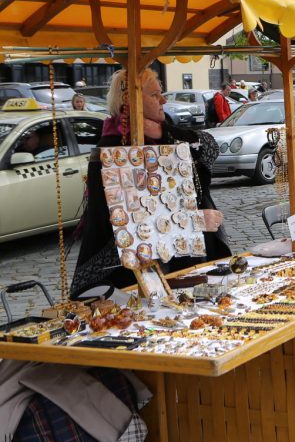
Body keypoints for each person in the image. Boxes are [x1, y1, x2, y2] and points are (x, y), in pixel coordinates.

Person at [71, 68, 231, 298]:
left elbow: (209, 146)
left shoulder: (165, 136)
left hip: (182, 264)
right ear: (131, 99)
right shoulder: (112, 151)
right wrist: (192, 220)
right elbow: (128, 223)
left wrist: (162, 129)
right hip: (130, 276)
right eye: (155, 95)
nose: (163, 100)